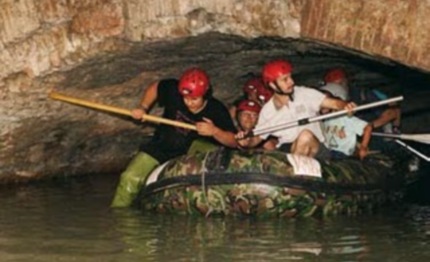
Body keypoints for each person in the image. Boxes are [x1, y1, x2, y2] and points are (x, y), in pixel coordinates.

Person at [111, 67, 238, 207]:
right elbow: (156, 87)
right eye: (185, 98)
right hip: (162, 146)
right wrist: (143, 107)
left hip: (192, 157)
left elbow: (234, 142)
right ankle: (120, 219)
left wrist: (215, 131)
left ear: (206, 94)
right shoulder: (173, 90)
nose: (189, 102)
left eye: (194, 99)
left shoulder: (217, 110)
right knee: (129, 178)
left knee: (205, 147)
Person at [236, 59, 356, 159]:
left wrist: (345, 105)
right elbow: (257, 137)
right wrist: (246, 142)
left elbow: (334, 103)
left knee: (305, 136)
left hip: (317, 147)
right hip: (288, 149)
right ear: (272, 85)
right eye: (285, 79)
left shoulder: (304, 93)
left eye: (290, 77)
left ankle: (293, 181)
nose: (291, 82)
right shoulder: (268, 111)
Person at [319, 89, 373, 160]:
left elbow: (368, 127)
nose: (323, 106)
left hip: (342, 154)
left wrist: (363, 147)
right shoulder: (323, 120)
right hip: (329, 151)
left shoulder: (344, 117)